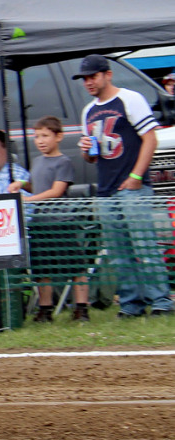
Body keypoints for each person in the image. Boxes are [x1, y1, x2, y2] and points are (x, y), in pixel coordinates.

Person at [75, 54, 173, 317]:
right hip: (106, 189)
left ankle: (161, 301)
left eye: (92, 76)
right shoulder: (88, 110)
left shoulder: (130, 99)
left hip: (133, 187)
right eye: (85, 78)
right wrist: (85, 150)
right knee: (119, 252)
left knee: (145, 246)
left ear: (108, 74)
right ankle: (131, 304)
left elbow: (149, 139)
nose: (88, 83)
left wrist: (137, 176)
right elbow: (92, 156)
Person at [18, 116, 89, 322]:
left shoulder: (63, 162)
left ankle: (81, 308)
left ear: (58, 137)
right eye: (37, 136)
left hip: (61, 222)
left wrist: (29, 199)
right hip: (40, 223)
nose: (40, 141)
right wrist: (21, 185)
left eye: (45, 136)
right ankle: (45, 309)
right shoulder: (38, 161)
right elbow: (36, 185)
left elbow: (57, 191)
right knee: (42, 268)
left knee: (75, 266)